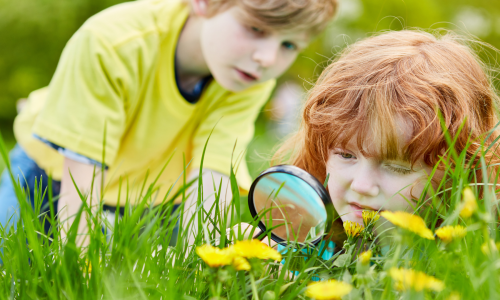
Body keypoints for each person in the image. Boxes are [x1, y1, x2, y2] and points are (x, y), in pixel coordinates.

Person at [0, 0, 339, 249]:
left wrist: (205, 254)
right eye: (255, 29)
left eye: (288, 45)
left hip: (147, 193)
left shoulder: (249, 76)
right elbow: (80, 188)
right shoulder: (112, 42)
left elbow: (212, 171)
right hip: (52, 175)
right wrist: (80, 260)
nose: (267, 58)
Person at [249, 29, 500, 257]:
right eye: (346, 155)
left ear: (458, 173)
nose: (361, 185)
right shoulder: (307, 243)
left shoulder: (468, 261)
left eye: (397, 166)